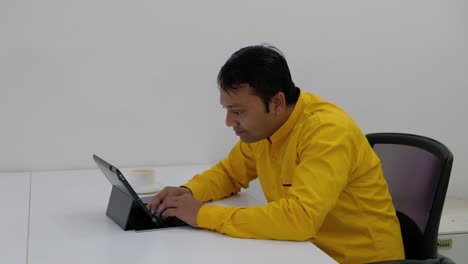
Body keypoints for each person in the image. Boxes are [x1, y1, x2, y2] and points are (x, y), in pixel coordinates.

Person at [147, 45, 405, 263]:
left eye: (238, 111)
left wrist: (202, 214)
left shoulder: (327, 132)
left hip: (356, 260)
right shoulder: (263, 129)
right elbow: (230, 173)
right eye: (226, 110)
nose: (229, 122)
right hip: (306, 252)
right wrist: (188, 193)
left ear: (277, 103)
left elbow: (300, 219)